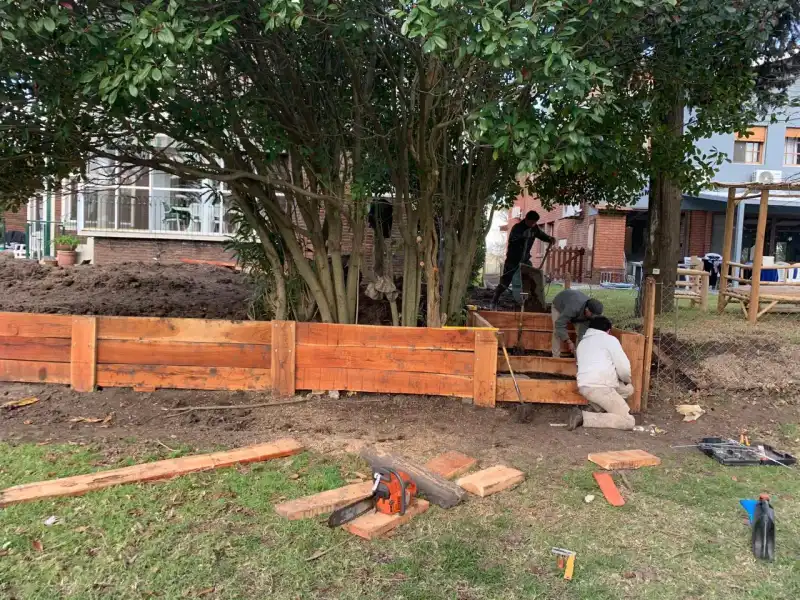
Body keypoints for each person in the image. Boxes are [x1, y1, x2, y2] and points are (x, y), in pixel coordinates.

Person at [567, 316, 635, 431]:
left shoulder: (582, 343)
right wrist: (626, 379)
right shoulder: (610, 340)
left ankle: (594, 408)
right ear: (608, 330)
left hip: (585, 387)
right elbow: (624, 369)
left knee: (628, 390)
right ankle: (584, 418)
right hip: (602, 387)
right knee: (628, 421)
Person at [491, 210, 555, 309]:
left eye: (535, 222)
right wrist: (523, 236)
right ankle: (494, 301)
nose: (533, 224)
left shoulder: (534, 228)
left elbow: (542, 235)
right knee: (505, 282)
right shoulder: (517, 228)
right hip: (513, 260)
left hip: (525, 260)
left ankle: (529, 303)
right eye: (532, 222)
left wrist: (550, 238)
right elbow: (513, 239)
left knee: (531, 280)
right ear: (527, 219)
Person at [551, 288, 603, 357]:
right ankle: (555, 357)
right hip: (559, 305)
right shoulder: (573, 308)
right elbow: (559, 324)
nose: (593, 318)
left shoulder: (591, 313)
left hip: (577, 310)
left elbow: (582, 334)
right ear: (587, 310)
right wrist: (569, 342)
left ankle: (578, 356)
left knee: (581, 334)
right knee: (557, 332)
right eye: (592, 315)